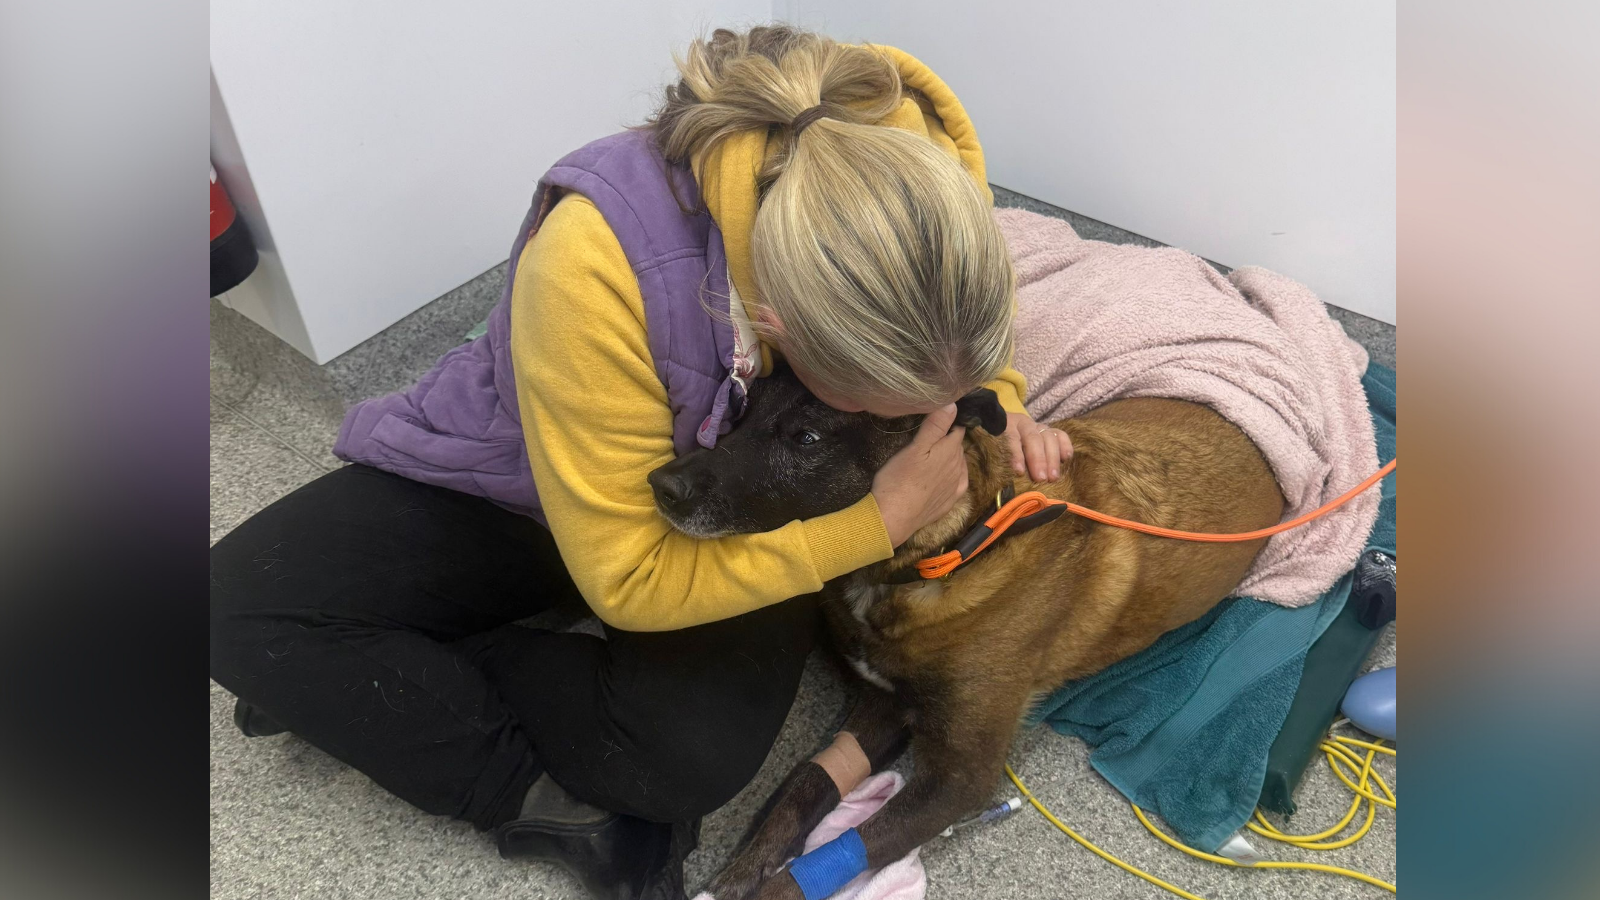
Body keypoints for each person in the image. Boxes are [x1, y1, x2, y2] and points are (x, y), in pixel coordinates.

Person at [209, 25, 1068, 900]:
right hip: (534, 473)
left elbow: (957, 339)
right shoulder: (592, 262)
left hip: (728, 491)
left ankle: (377, 675)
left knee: (680, 762)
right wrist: (872, 525)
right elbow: (628, 577)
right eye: (879, 401)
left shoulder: (913, 164)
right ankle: (548, 807)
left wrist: (1000, 397)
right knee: (230, 605)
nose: (924, 419)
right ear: (770, 326)